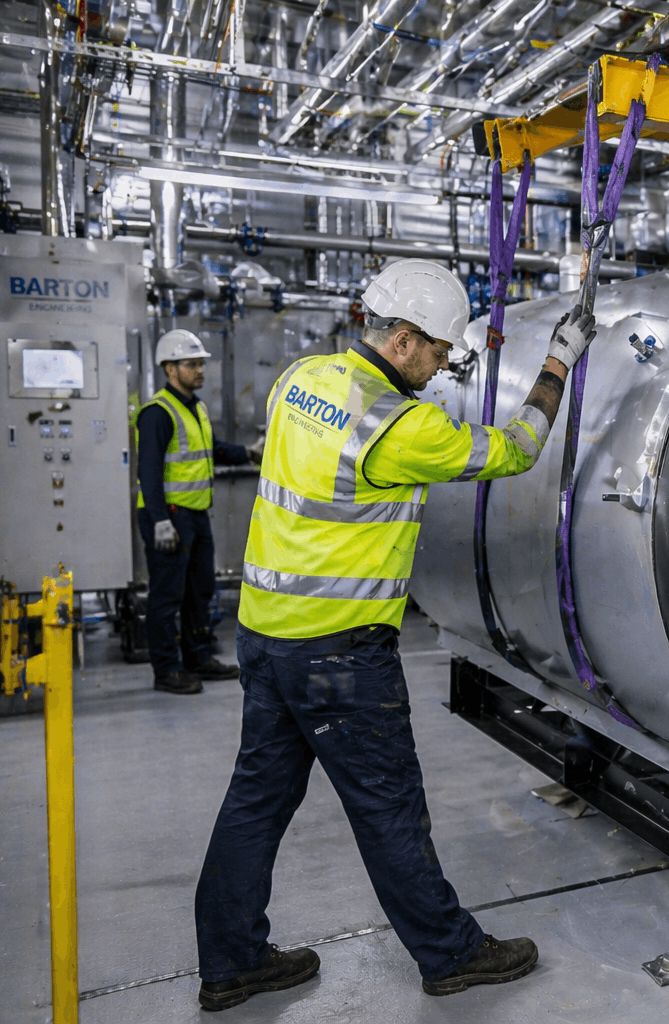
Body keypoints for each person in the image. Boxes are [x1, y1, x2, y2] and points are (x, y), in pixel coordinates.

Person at [192, 258, 597, 1011]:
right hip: (340, 653)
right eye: (439, 351)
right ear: (404, 339)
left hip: (265, 638)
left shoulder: (299, 380)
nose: (443, 367)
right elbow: (516, 449)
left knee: (254, 804)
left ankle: (232, 962)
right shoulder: (402, 425)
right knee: (389, 812)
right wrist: (556, 364)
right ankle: (452, 954)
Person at [137, 329, 259, 695]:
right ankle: (166, 670)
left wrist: (249, 452)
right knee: (166, 596)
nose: (200, 370)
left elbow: (213, 448)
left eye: (201, 364)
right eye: (192, 364)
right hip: (169, 516)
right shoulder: (157, 413)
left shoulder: (196, 408)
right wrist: (160, 521)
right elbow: (148, 472)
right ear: (170, 369)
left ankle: (197, 657)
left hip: (195, 516)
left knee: (200, 589)